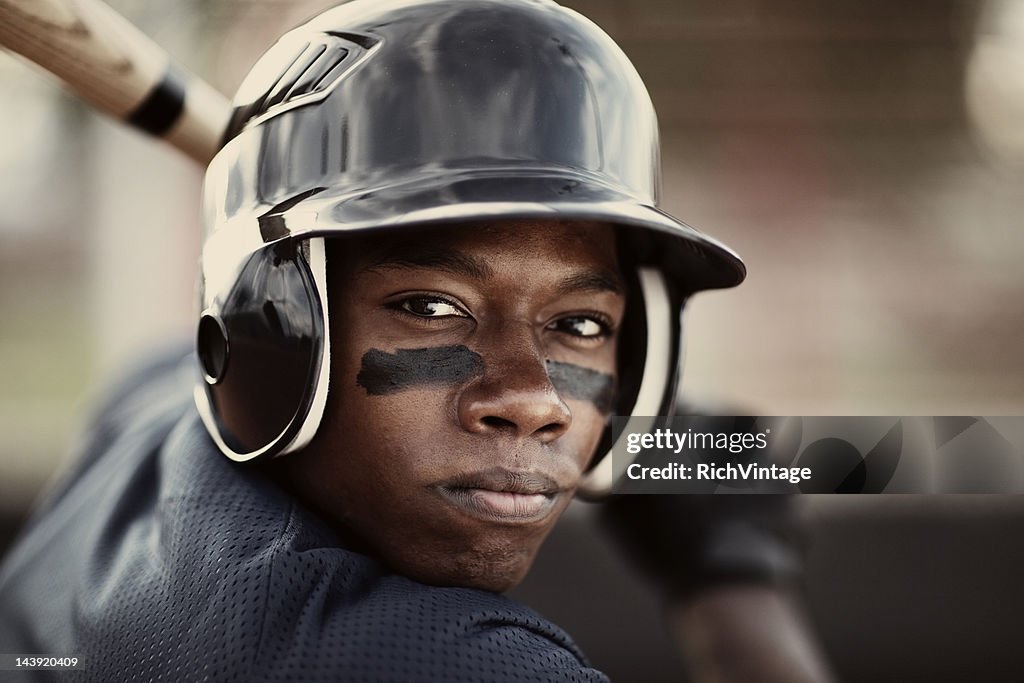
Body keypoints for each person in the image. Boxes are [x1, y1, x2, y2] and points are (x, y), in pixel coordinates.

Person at [0, 0, 833, 680]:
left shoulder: (141, 409)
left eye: (580, 324)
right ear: (265, 336)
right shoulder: (435, 660)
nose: (536, 401)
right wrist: (734, 584)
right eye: (433, 306)